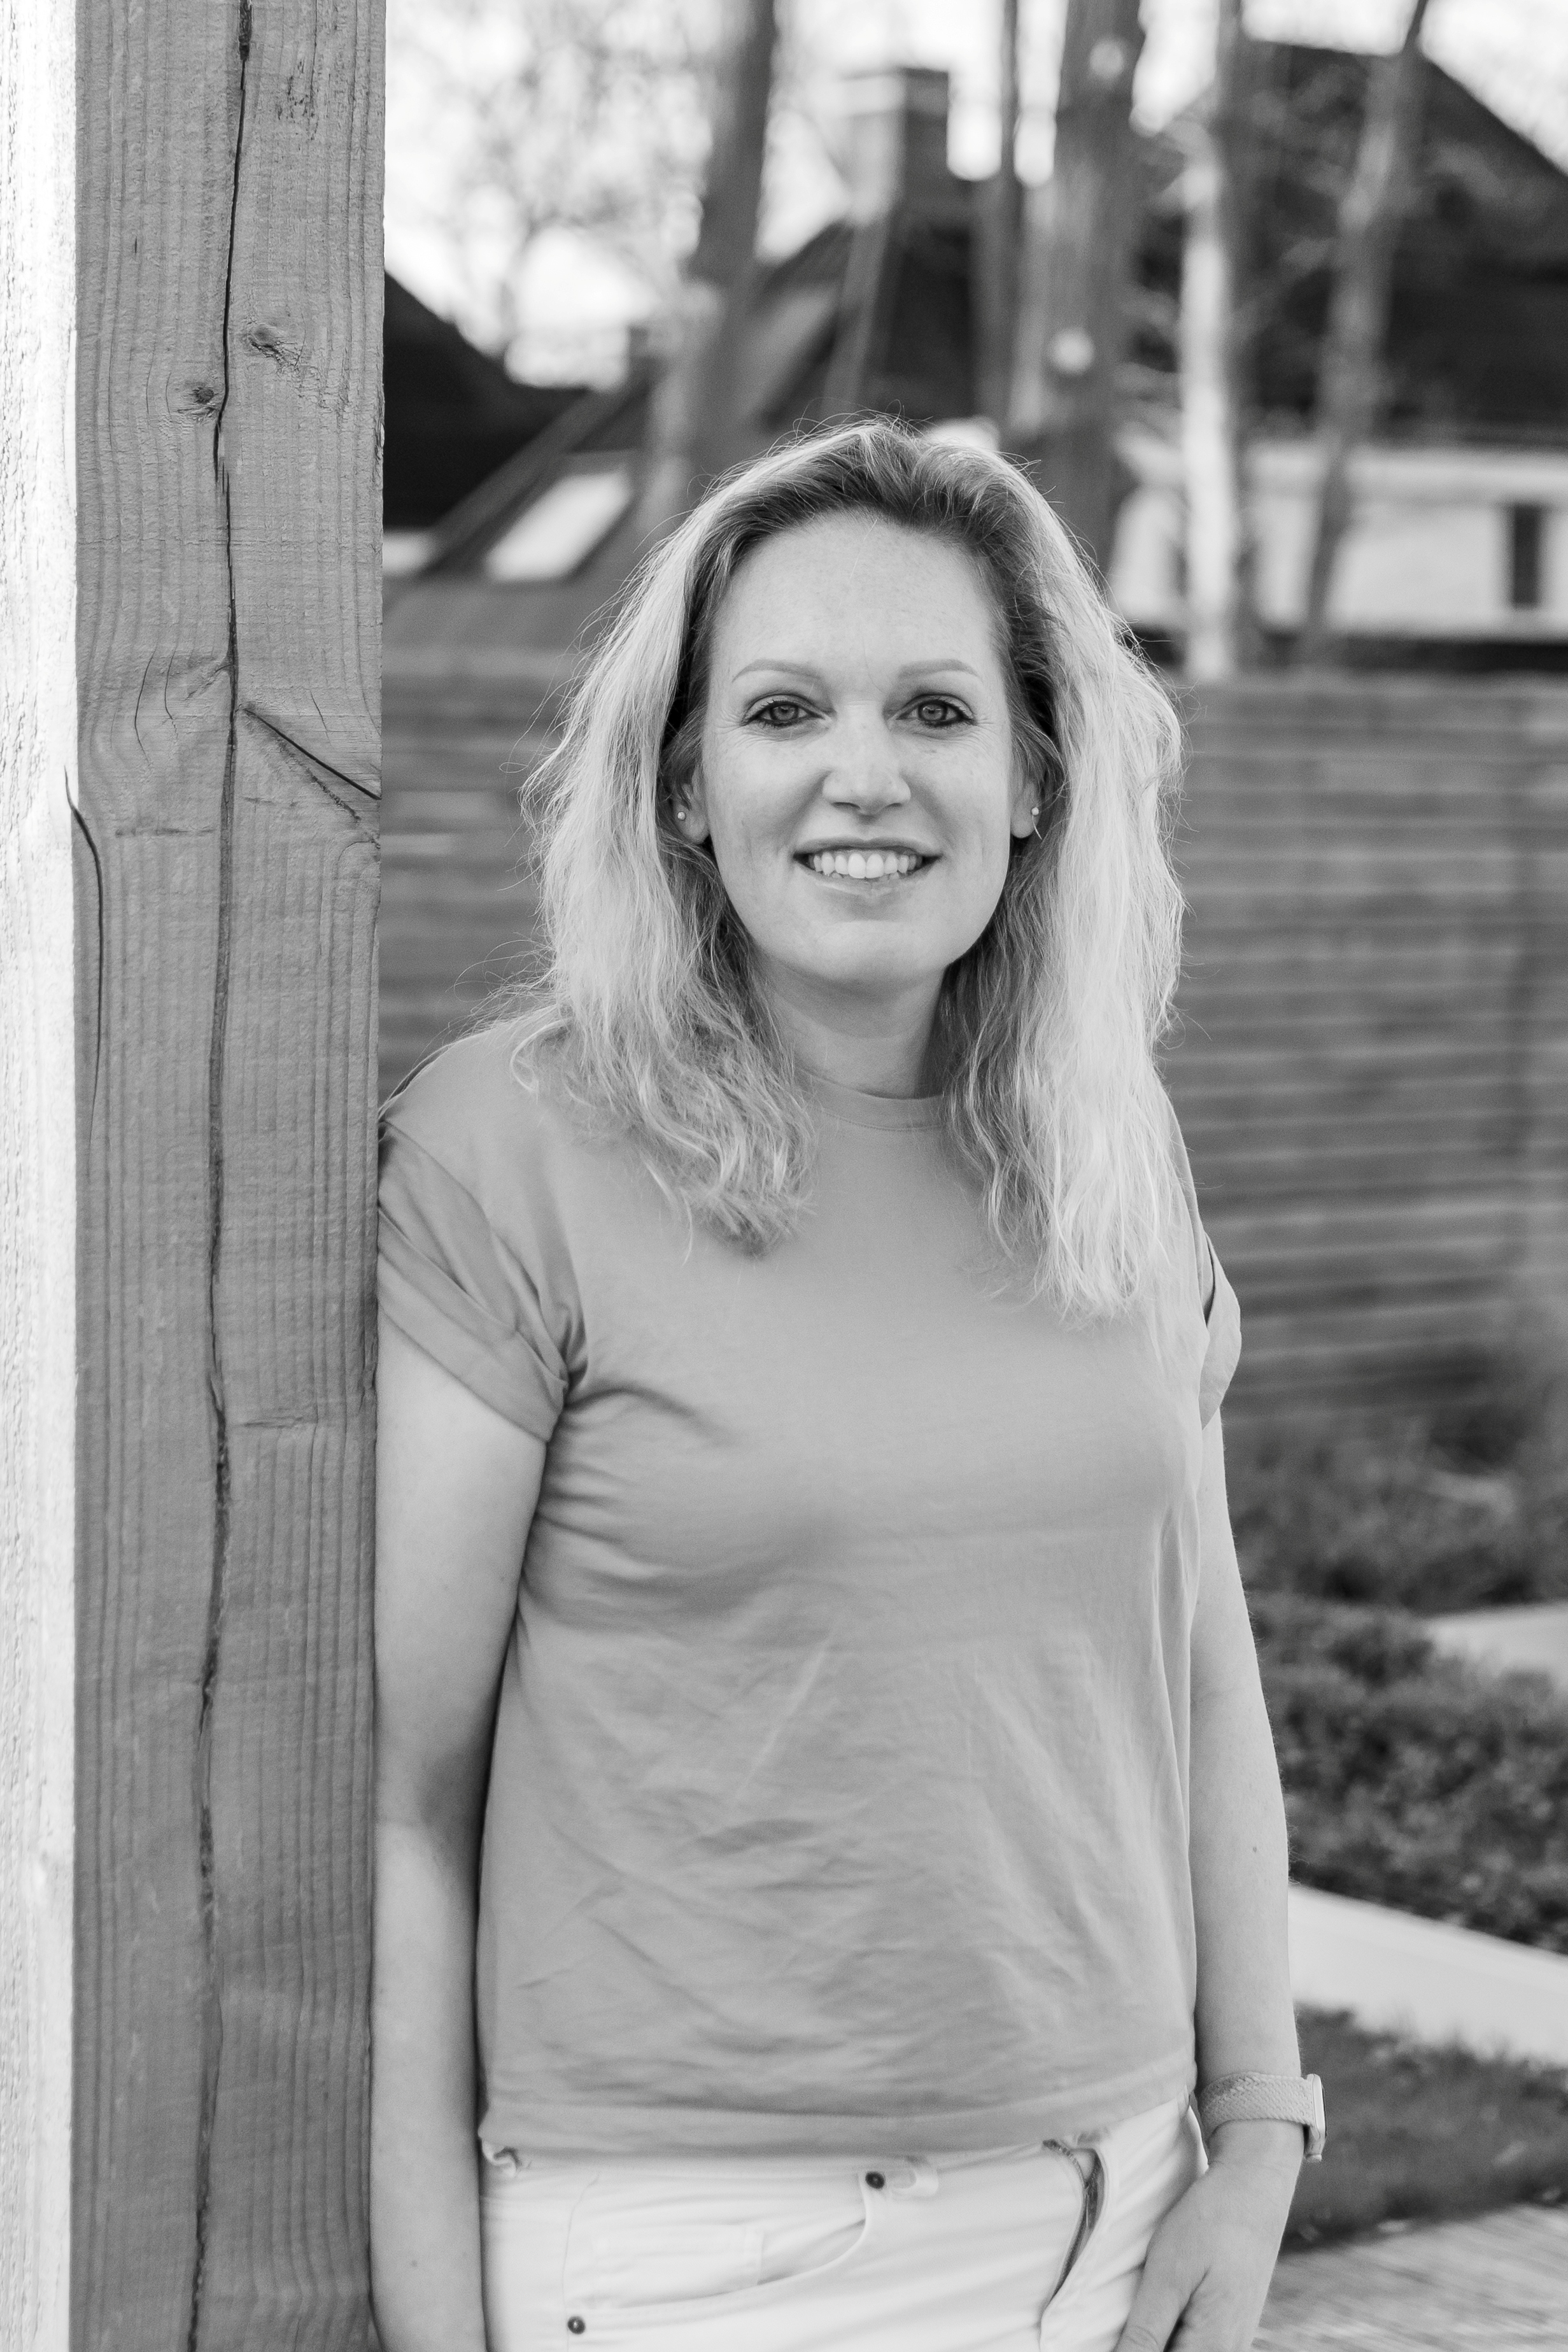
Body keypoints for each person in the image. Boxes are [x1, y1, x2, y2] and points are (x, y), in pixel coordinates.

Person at [371, 420, 1322, 2352]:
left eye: (937, 709)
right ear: (685, 786)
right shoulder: (511, 1146)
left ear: (1036, 776)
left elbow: (1204, 1679)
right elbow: (407, 1807)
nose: (864, 774)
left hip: (1122, 2224)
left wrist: (1257, 2134)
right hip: (698, 2260)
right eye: (785, 709)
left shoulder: (1108, 1153)